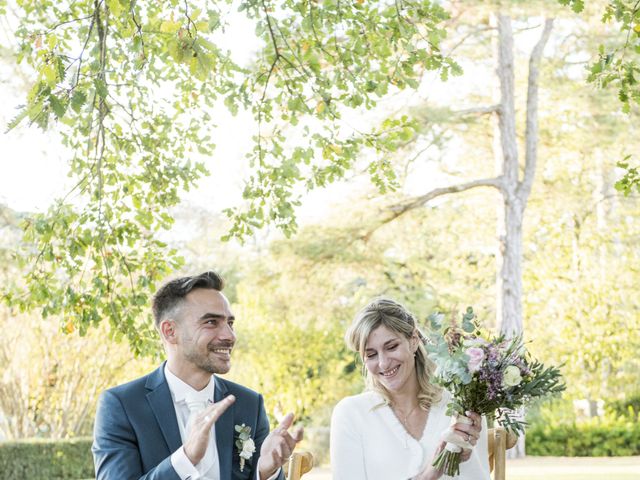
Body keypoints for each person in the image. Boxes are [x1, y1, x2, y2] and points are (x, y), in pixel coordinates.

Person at [92, 271, 303, 480]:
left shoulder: (249, 404)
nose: (229, 336)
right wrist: (186, 458)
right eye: (211, 322)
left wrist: (264, 473)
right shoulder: (122, 405)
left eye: (230, 323)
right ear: (170, 331)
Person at [330, 298, 490, 480]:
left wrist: (465, 453)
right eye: (371, 354)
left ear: (413, 341)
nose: (383, 363)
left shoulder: (460, 405)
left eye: (391, 347)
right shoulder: (351, 414)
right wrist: (430, 474)